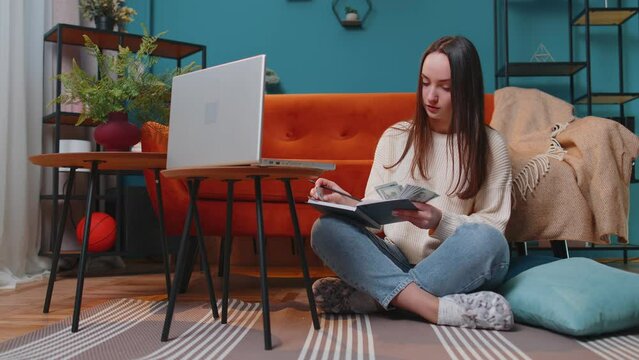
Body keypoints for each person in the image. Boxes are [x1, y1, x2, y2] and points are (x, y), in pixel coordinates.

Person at [308, 35, 514, 330]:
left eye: (445, 87)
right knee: (326, 229)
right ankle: (429, 307)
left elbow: (494, 227)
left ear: (467, 90)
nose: (430, 96)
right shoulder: (395, 137)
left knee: (489, 241)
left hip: (452, 264)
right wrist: (346, 202)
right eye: (425, 82)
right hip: (394, 259)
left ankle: (377, 298)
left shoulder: (491, 145)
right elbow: (376, 219)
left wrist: (439, 220)